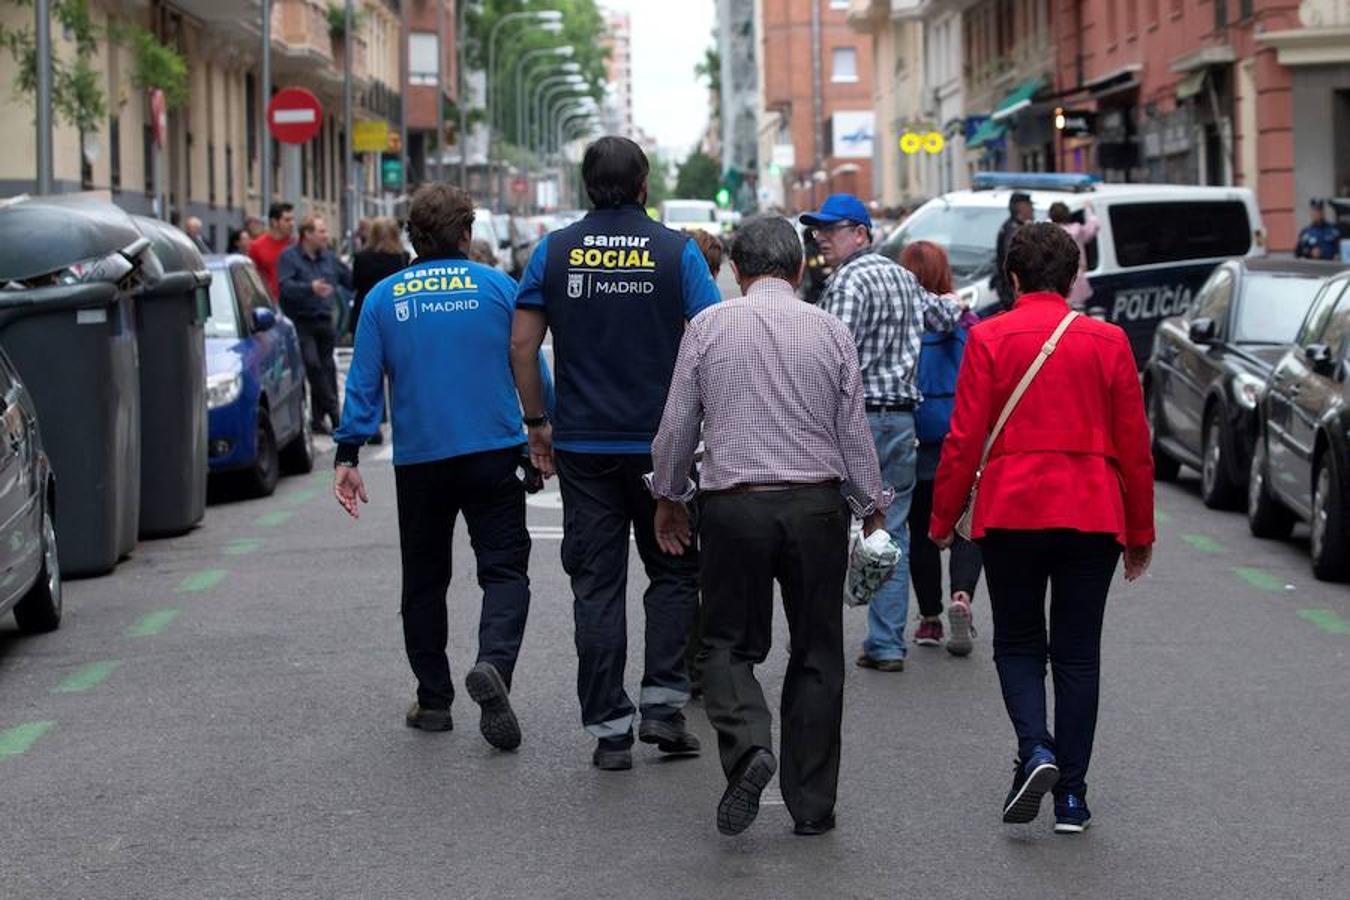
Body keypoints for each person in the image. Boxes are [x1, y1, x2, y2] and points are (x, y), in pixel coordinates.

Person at [650, 216, 889, 838]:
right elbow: (853, 432)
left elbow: (677, 427)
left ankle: (751, 745)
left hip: (735, 506)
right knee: (816, 650)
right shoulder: (830, 330)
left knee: (726, 644)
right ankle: (811, 806)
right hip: (815, 509)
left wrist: (670, 495)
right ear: (801, 268)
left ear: (735, 269)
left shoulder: (708, 327)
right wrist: (873, 504)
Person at [929, 223, 1154, 835]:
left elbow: (964, 439)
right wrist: (1140, 533)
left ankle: (1037, 749)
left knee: (1020, 642)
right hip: (1092, 511)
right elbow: (1135, 448)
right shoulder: (1108, 341)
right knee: (1079, 653)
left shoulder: (990, 337)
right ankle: (1073, 798)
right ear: (1075, 277)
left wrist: (944, 518)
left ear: (1014, 277)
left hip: (1012, 511)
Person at [510, 136, 722, 771]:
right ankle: (662, 705)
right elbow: (709, 339)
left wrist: (536, 422)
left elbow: (522, 345)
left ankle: (609, 729)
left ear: (584, 185)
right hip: (664, 445)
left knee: (597, 584)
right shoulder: (679, 252)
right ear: (643, 185)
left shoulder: (552, 251)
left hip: (583, 444)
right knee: (675, 569)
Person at [332, 185, 532, 750]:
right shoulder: (499, 288)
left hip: (421, 460)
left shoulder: (384, 298)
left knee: (423, 580)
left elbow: (364, 384)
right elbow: (527, 364)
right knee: (505, 571)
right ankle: (493, 664)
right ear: (466, 233)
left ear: (413, 237)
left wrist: (348, 454)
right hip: (493, 450)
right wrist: (542, 428)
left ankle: (434, 699)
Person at [806, 193, 963, 673]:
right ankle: (887, 643)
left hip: (855, 420)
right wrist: (957, 302)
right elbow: (945, 316)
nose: (821, 240)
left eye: (831, 231)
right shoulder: (904, 279)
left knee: (826, 526)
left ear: (860, 233)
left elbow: (833, 352)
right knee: (888, 529)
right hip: (901, 421)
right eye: (818, 232)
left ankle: (819, 641)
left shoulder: (848, 283)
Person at [898, 240, 983, 656]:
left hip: (915, 437)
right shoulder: (968, 323)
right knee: (967, 525)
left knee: (920, 533)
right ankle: (962, 597)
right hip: (961, 440)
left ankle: (930, 619)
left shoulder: (903, 324)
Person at [278, 215, 350, 434]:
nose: (326, 235)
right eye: (321, 231)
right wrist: (310, 288)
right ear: (307, 235)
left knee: (327, 367)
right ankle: (335, 413)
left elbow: (348, 278)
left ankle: (318, 419)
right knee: (312, 364)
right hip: (302, 320)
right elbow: (285, 287)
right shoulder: (290, 258)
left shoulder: (329, 258)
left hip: (325, 318)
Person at [351, 217, 409, 332]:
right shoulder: (402, 257)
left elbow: (355, 284)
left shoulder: (362, 258)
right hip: (394, 310)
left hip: (366, 309)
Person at [1048, 201, 1100, 310]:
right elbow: (1092, 228)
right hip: (1076, 278)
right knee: (1078, 311)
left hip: (1053, 280)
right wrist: (1089, 210)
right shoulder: (1076, 230)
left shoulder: (1047, 233)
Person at [993, 192, 1034, 312]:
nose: (1032, 209)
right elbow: (1016, 262)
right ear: (1021, 207)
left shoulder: (1011, 227)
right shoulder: (1014, 232)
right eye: (1029, 205)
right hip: (1014, 292)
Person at [249, 202, 296, 301]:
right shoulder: (257, 246)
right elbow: (252, 278)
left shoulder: (297, 245)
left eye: (293, 220)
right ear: (274, 222)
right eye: (287, 220)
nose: (292, 224)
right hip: (269, 303)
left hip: (294, 305)